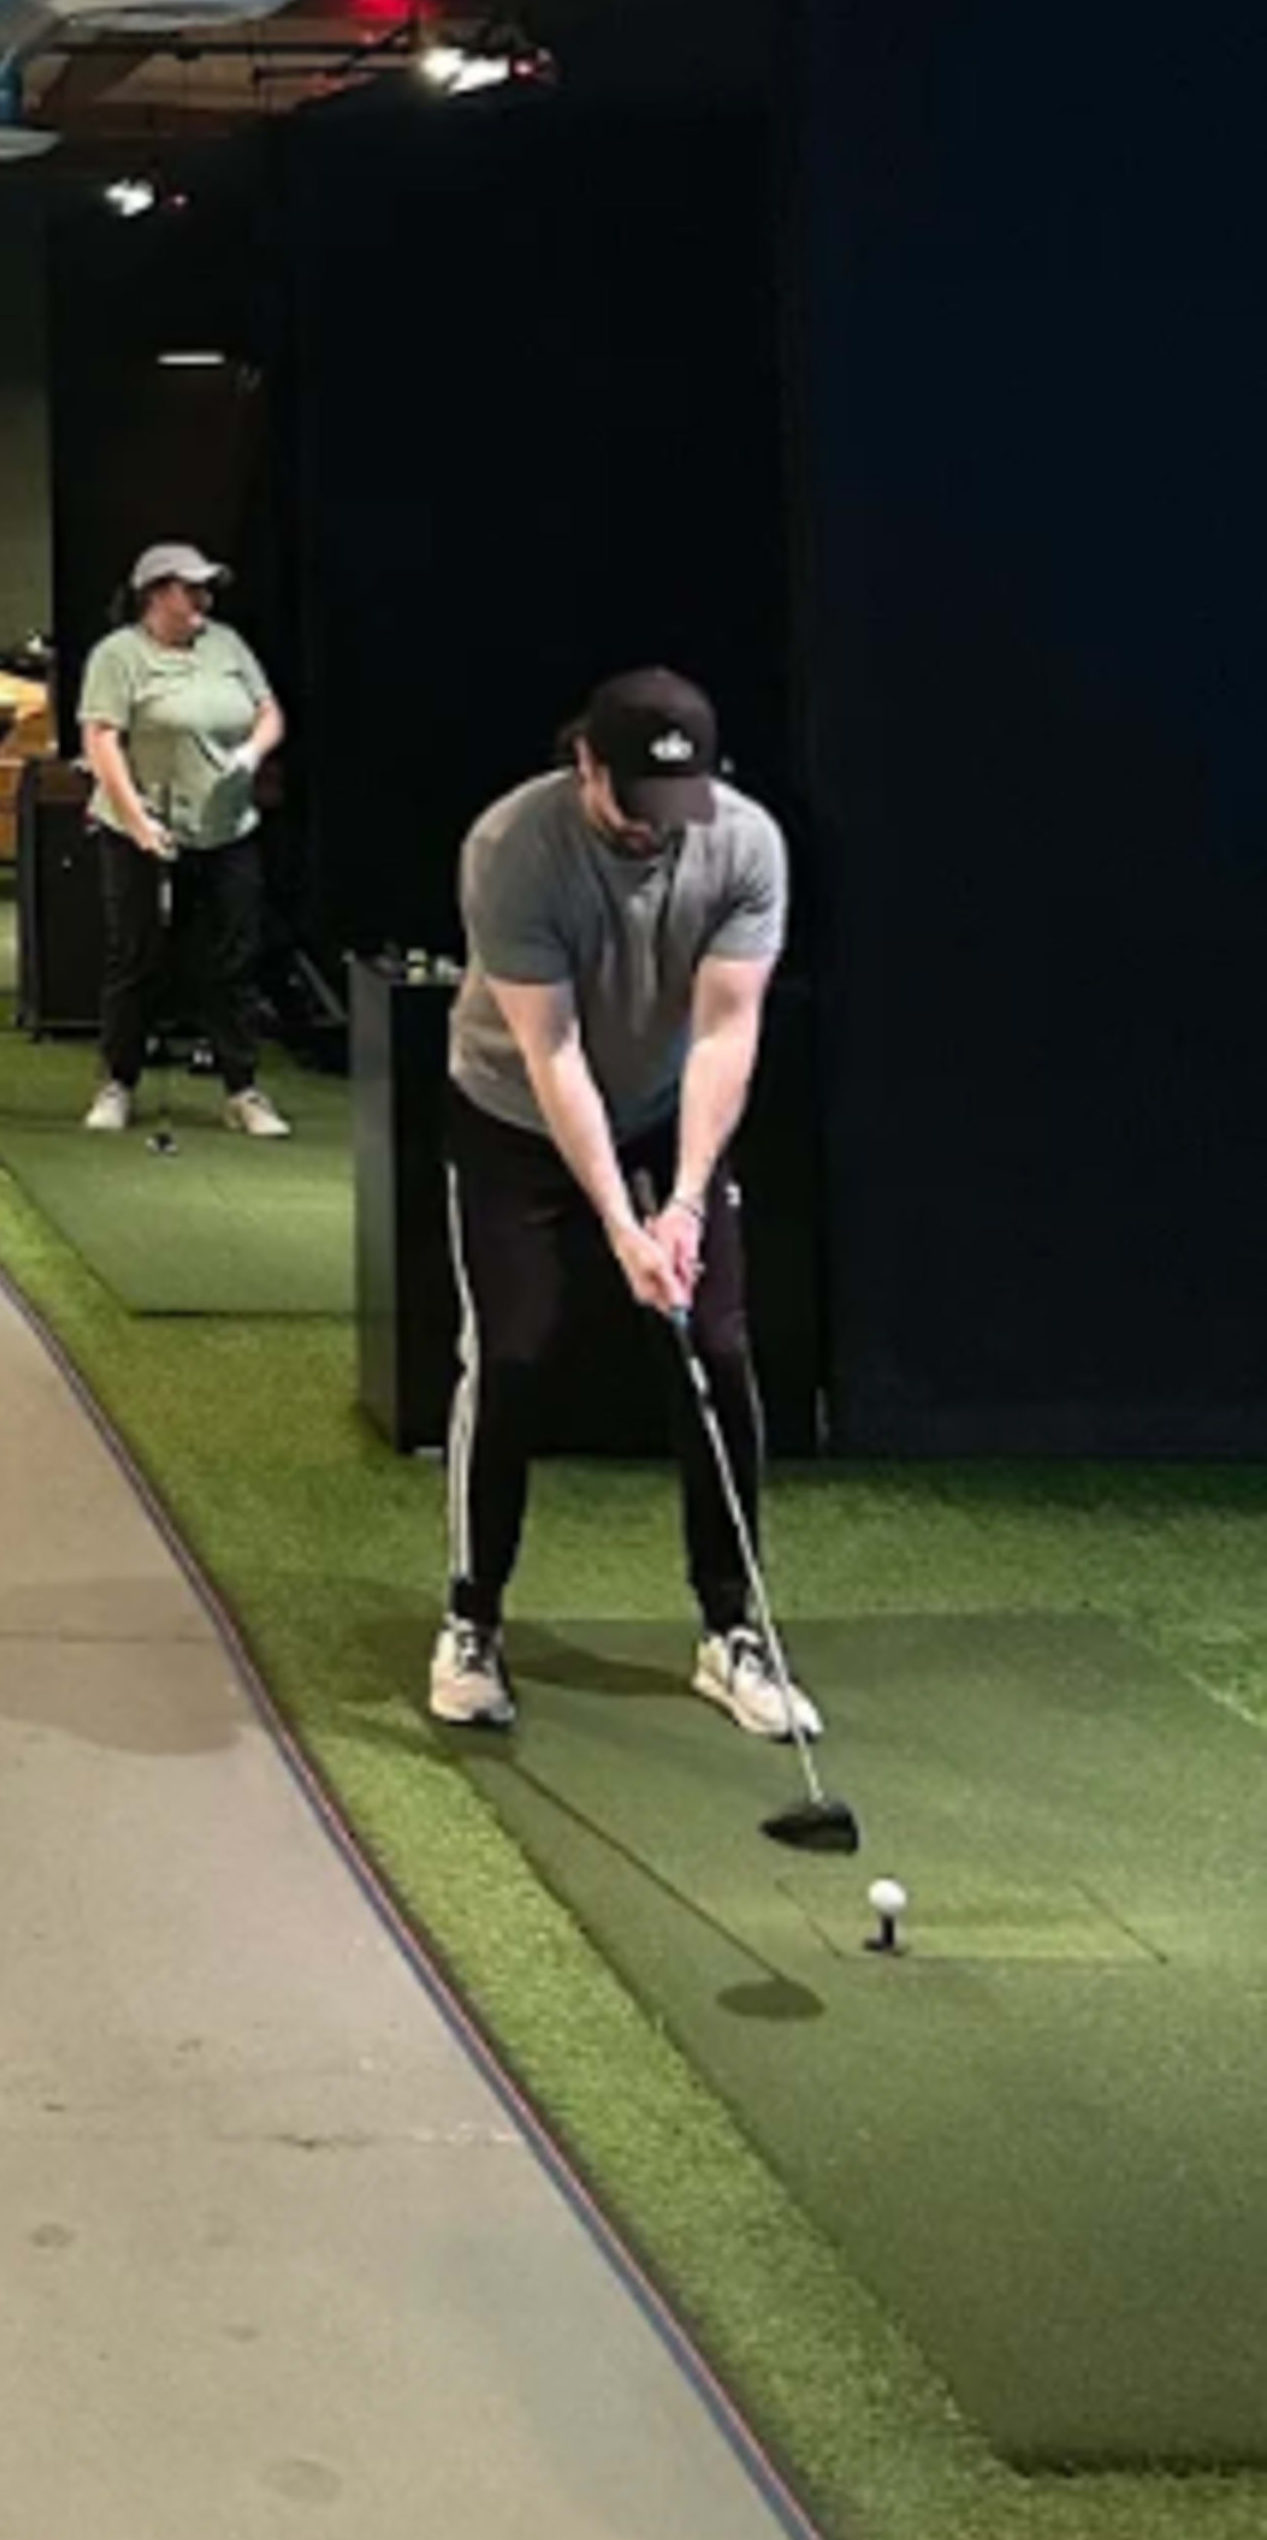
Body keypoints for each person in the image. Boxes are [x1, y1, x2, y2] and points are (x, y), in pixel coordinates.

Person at [425, 667, 805, 1744]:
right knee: (511, 1350)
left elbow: (728, 1031)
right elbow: (551, 1049)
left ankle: (732, 1630)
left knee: (719, 1348)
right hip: (514, 1112)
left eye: (671, 809)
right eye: (631, 802)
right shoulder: (513, 848)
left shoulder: (746, 845)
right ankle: (472, 1619)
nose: (652, 832)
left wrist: (680, 1204)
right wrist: (617, 1219)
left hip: (663, 1111)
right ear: (585, 763)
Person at [77, 540, 289, 1140]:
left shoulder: (226, 645)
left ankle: (242, 1089)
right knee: (136, 958)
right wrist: (139, 822)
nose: (203, 598)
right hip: (141, 829)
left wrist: (251, 753)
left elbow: (269, 711)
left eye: (206, 587)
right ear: (155, 594)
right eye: (190, 588)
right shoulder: (118, 656)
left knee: (234, 958)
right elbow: (102, 741)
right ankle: (117, 1083)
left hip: (226, 828)